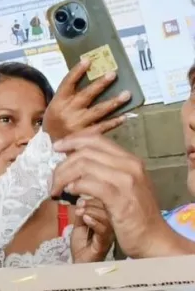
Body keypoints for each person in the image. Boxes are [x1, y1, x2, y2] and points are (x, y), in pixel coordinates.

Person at [0, 61, 129, 270]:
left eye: (41, 123)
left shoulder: (78, 224)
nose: (30, 137)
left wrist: (85, 271)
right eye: (6, 119)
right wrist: (49, 141)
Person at [51, 62, 195, 259]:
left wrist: (161, 244)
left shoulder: (160, 234)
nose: (193, 119)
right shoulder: (176, 222)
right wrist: (90, 275)